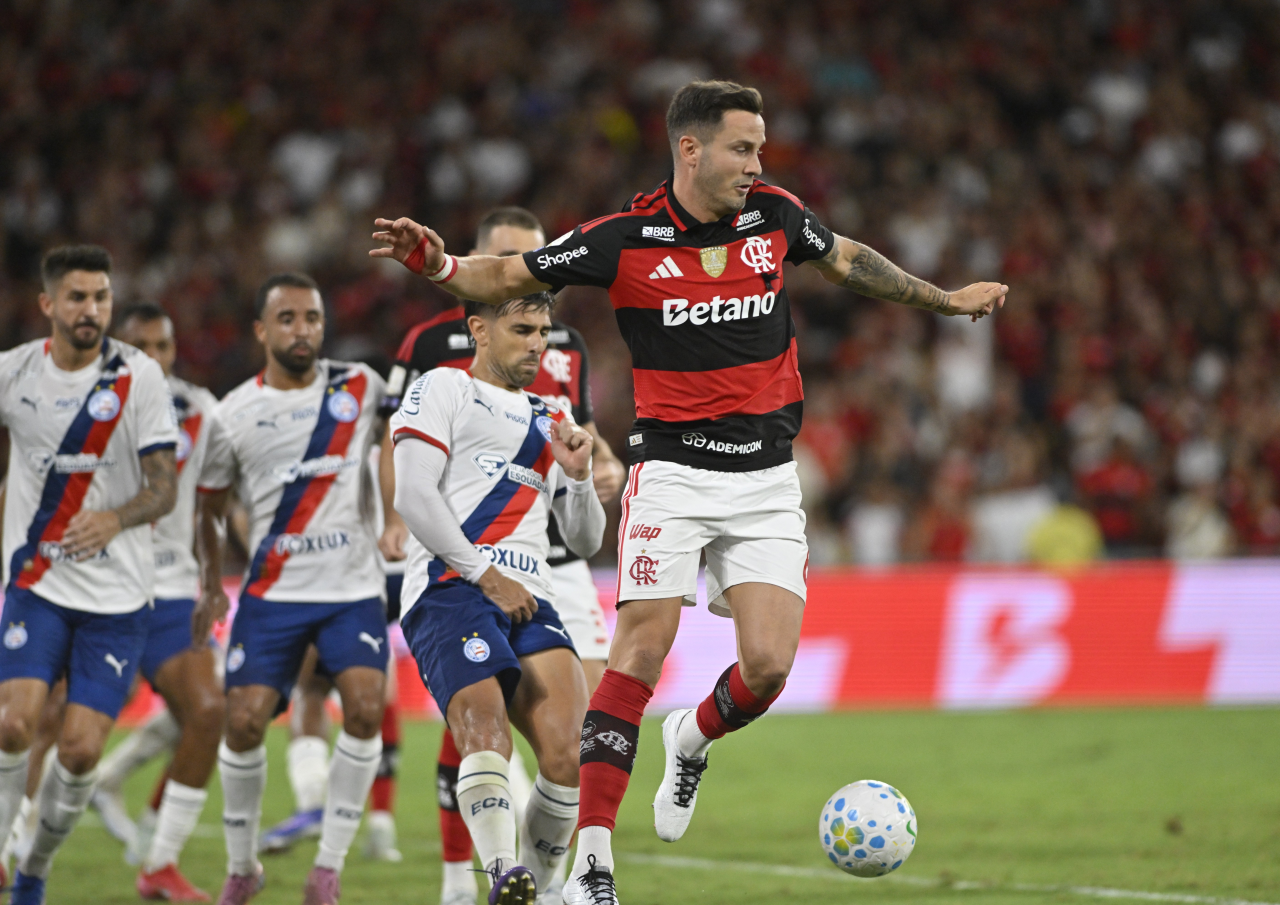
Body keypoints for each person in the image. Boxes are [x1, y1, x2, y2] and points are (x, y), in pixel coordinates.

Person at [372, 80, 1008, 904]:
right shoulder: (623, 238)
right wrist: (436, 264)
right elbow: (510, 272)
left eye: (760, 149)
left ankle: (692, 737)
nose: (757, 164)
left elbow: (849, 259)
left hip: (766, 475)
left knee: (768, 667)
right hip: (671, 472)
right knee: (639, 650)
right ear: (691, 148)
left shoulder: (774, 217)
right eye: (743, 148)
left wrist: (945, 300)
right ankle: (594, 864)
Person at [376, 206, 625, 905]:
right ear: (478, 329)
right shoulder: (441, 389)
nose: (536, 345)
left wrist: (579, 476)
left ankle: (531, 889)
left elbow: (583, 541)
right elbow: (413, 497)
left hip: (531, 594)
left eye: (542, 333)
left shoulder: (552, 418)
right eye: (521, 330)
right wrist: (485, 575)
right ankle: (498, 870)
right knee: (483, 728)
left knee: (571, 752)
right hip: (451, 588)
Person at [195, 273, 389, 905]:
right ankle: (242, 866)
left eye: (312, 318)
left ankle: (327, 869)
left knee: (365, 710)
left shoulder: (362, 386)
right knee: (244, 722)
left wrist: (397, 518)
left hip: (351, 589)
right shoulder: (231, 414)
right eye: (287, 319)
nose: (302, 330)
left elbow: (402, 442)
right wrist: (210, 583)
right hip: (272, 594)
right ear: (261, 330)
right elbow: (209, 509)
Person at [0, 245, 179, 903]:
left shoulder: (140, 376)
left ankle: (35, 866)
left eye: (101, 297)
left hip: (118, 597)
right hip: (38, 584)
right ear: (48, 304)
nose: (91, 309)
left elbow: (164, 487)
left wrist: (115, 518)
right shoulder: (14, 372)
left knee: (78, 751)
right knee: (13, 724)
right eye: (77, 297)